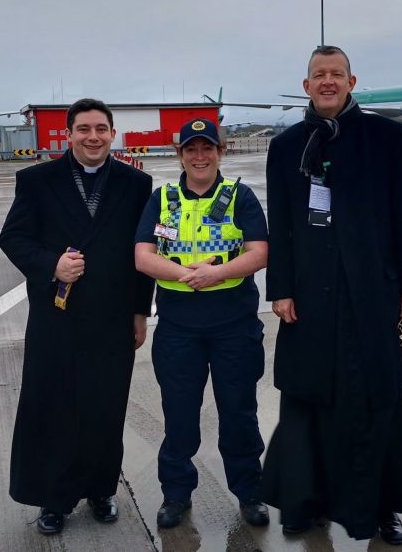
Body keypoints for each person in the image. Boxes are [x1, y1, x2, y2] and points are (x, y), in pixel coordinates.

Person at [261, 46, 402, 545]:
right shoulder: (286, 145)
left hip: (373, 294)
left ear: (352, 81)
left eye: (337, 74)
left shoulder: (387, 137)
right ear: (307, 84)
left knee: (375, 398)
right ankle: (303, 500)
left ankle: (380, 508)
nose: (328, 82)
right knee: (307, 395)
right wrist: (282, 289)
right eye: (319, 75)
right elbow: (284, 225)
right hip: (310, 297)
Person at [0, 98, 153, 535]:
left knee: (106, 406)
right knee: (53, 406)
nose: (93, 137)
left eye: (101, 129)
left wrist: (141, 311)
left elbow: (143, 255)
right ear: (68, 134)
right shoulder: (37, 180)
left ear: (112, 134)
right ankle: (54, 496)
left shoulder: (135, 184)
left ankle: (102, 488)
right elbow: (12, 237)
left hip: (112, 316)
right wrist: (51, 265)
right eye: (84, 128)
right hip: (57, 317)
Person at [134, 118, 270, 529]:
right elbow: (143, 256)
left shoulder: (239, 196)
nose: (199, 156)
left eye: (207, 148)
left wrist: (216, 273)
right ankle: (176, 495)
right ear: (180, 154)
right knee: (178, 415)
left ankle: (249, 493)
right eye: (190, 149)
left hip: (235, 326)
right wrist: (184, 275)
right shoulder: (163, 199)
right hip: (179, 328)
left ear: (220, 152)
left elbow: (260, 251)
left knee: (239, 413)